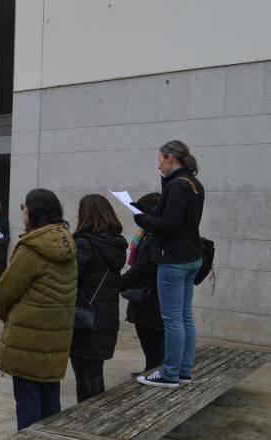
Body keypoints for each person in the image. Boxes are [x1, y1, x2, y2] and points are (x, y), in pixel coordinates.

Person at [0, 189, 77, 430]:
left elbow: (6, 293)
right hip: (56, 335)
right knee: (50, 401)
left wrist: (9, 317)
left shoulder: (31, 248)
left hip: (28, 337)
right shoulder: (68, 243)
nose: (23, 211)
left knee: (28, 403)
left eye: (25, 206)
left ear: (34, 211)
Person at [135, 140, 205, 389]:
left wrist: (143, 220)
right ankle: (183, 371)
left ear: (170, 158)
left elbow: (170, 225)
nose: (159, 164)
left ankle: (170, 373)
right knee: (184, 317)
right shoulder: (192, 183)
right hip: (190, 257)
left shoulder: (177, 186)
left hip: (174, 260)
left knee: (173, 319)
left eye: (160, 159)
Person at [69, 194, 127, 403]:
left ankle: (88, 420)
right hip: (106, 318)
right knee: (94, 372)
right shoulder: (116, 244)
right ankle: (94, 417)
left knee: (84, 375)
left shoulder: (84, 243)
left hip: (85, 318)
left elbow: (70, 277)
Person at [121, 193, 164, 372]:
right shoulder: (146, 234)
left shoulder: (155, 236)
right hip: (144, 295)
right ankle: (151, 368)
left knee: (152, 338)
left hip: (150, 297)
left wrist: (118, 283)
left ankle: (154, 370)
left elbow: (144, 267)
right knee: (148, 339)